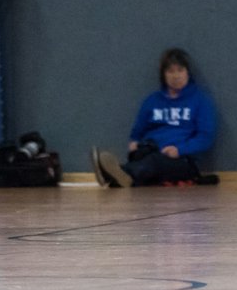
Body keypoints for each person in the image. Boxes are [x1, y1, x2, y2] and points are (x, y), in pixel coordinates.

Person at [92, 48, 217, 188]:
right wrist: (135, 143)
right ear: (163, 75)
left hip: (181, 160)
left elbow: (205, 138)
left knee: (155, 162)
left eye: (180, 70)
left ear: (188, 73)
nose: (176, 76)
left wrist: (179, 150)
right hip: (150, 151)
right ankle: (121, 176)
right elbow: (137, 132)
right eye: (171, 71)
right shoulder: (152, 101)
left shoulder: (200, 101)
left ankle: (117, 174)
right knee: (144, 157)